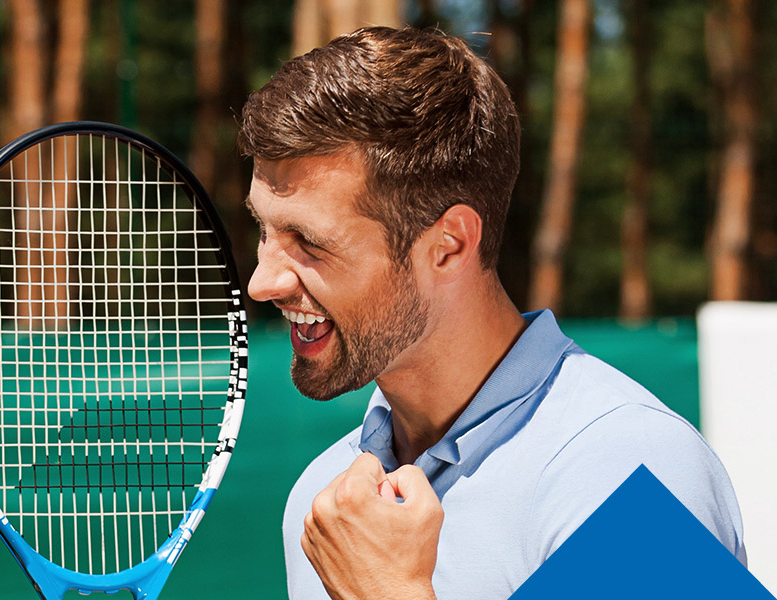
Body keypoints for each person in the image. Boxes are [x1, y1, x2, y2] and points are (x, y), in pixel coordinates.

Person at [236, 26, 748, 600]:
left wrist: (387, 591)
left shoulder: (629, 468)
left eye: (310, 241)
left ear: (449, 246)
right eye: (265, 229)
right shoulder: (323, 501)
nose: (263, 282)